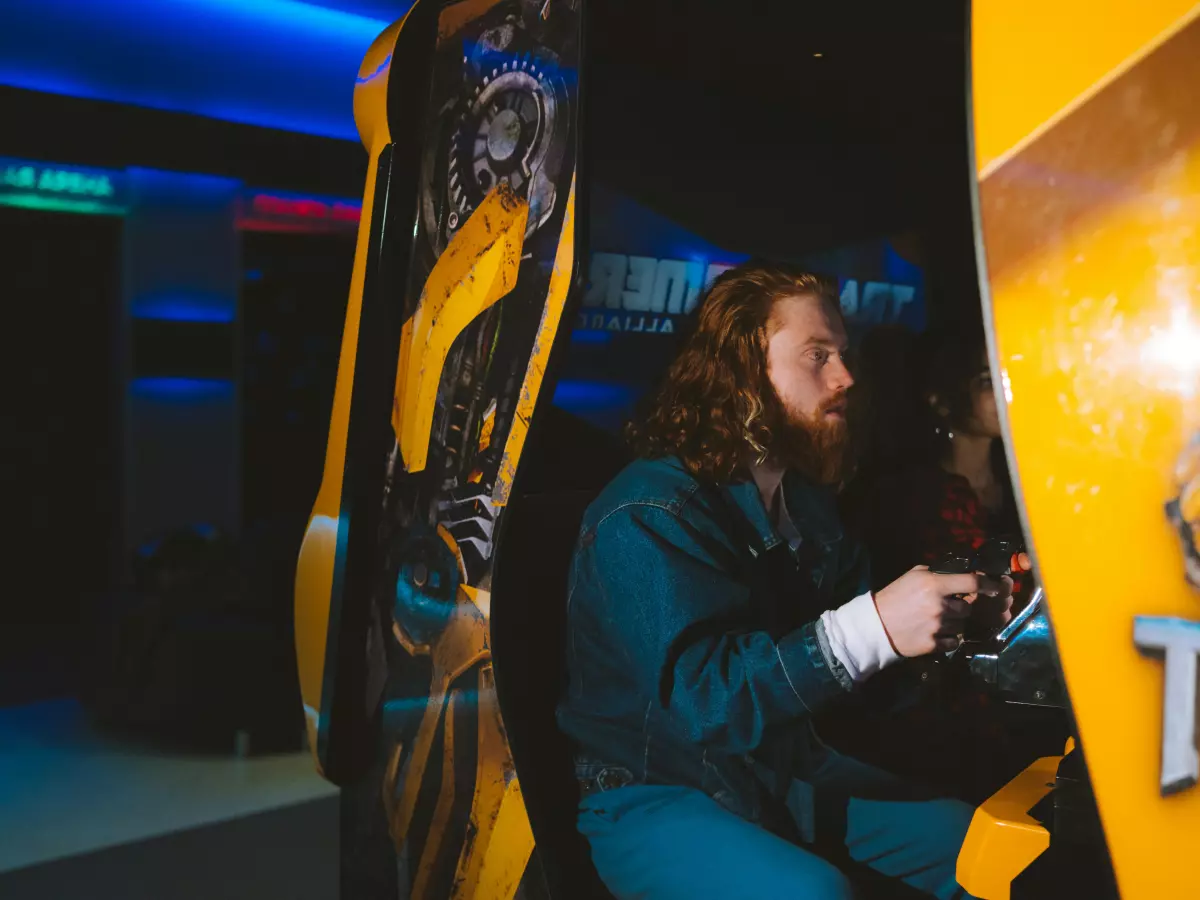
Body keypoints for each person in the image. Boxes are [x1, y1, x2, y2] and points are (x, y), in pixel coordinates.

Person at [555, 261, 1013, 900]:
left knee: (984, 850)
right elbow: (710, 704)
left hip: (781, 773)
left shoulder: (807, 505)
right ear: (743, 373)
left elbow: (855, 689)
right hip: (655, 793)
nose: (846, 377)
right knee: (813, 893)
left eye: (843, 355)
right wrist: (875, 626)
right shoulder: (648, 512)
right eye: (817, 356)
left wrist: (948, 627)